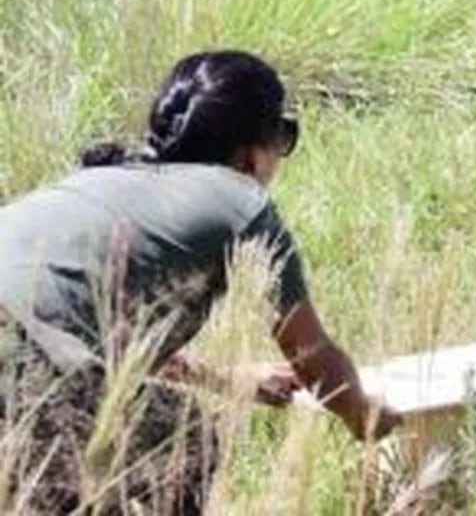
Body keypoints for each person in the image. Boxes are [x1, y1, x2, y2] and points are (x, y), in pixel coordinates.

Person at [0, 50, 401, 514]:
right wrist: (362, 415)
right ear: (251, 152)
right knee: (186, 441)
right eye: (283, 135)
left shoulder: (104, 181)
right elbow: (312, 358)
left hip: (25, 347)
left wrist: (225, 379)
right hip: (22, 354)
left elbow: (100, 337)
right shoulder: (240, 201)